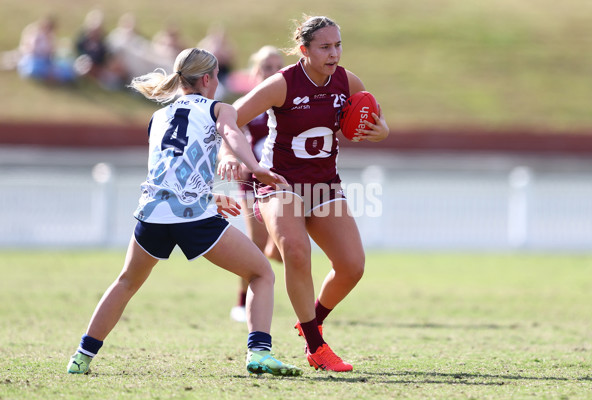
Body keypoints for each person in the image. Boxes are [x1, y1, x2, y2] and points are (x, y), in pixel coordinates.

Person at [66, 47, 302, 377]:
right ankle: (259, 352)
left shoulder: (158, 117)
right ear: (207, 79)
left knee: (126, 282)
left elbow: (168, 168)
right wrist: (255, 167)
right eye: (217, 76)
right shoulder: (218, 108)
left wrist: (210, 197)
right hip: (192, 218)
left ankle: (81, 357)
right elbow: (232, 133)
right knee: (262, 273)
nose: (218, 82)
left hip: (152, 214)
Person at [225, 15, 390, 372]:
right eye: (325, 47)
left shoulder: (347, 81)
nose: (335, 53)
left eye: (338, 45)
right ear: (304, 50)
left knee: (352, 267)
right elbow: (229, 119)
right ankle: (317, 346)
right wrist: (231, 156)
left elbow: (376, 118)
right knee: (297, 253)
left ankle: (309, 322)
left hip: (324, 184)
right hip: (279, 183)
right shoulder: (281, 84)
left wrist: (381, 130)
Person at [227, 46, 284, 323]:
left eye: (278, 66)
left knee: (285, 247)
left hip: (285, 180)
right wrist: (232, 158)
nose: (273, 72)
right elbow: (228, 133)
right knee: (256, 246)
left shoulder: (290, 99)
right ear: (256, 72)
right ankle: (241, 302)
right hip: (253, 181)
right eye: (267, 67)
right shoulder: (250, 103)